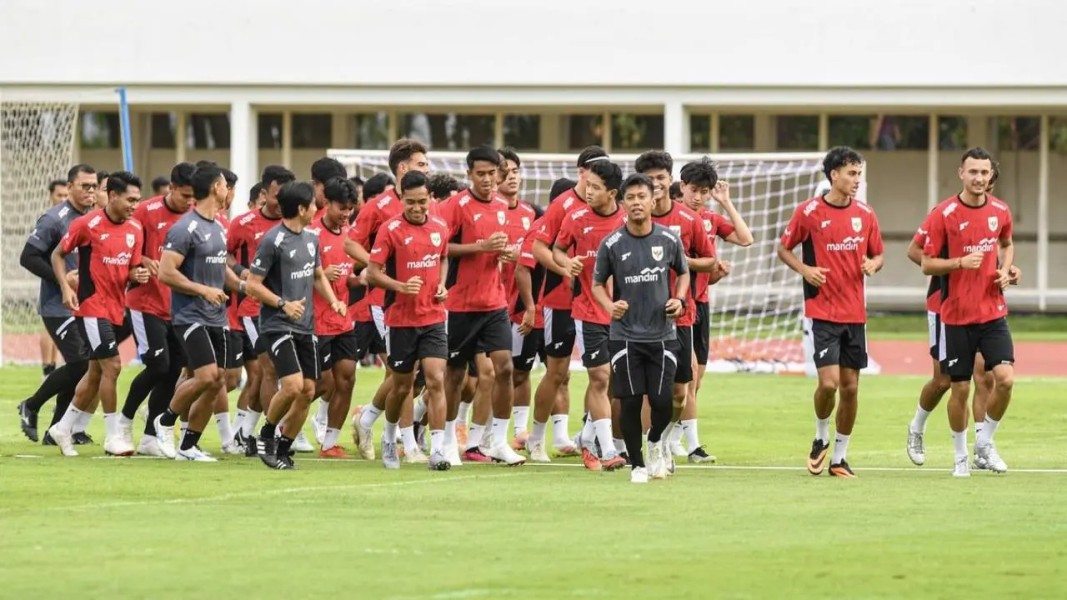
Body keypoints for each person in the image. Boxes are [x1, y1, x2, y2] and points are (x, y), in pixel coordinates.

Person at [777, 146, 884, 479]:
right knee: (829, 384)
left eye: (859, 174)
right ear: (833, 175)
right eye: (851, 173)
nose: (856, 180)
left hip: (855, 314)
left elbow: (879, 254)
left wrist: (872, 264)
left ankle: (839, 457)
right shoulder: (809, 212)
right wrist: (805, 270)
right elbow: (783, 248)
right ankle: (821, 434)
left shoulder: (866, 214)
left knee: (851, 387)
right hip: (821, 311)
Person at [905, 161, 1018, 469]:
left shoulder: (997, 212)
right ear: (963, 175)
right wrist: (954, 267)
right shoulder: (942, 214)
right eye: (976, 174)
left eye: (987, 176)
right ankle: (917, 427)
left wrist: (1006, 271)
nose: (982, 181)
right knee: (945, 381)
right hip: (946, 305)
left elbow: (998, 251)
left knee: (988, 377)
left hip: (985, 306)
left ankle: (983, 446)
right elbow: (917, 253)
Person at [591, 173, 690, 484]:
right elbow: (595, 285)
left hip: (663, 335)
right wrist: (609, 306)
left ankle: (656, 441)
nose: (636, 202)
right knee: (631, 401)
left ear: (653, 200)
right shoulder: (612, 243)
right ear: (622, 203)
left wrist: (679, 299)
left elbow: (684, 273)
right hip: (625, 336)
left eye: (641, 197)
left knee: (663, 401)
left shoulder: (669, 239)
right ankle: (637, 465)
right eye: (630, 198)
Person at [245, 181, 347, 470]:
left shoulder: (312, 239)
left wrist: (334, 300)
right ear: (301, 209)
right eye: (314, 204)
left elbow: (317, 276)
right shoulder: (272, 241)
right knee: (292, 385)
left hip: (306, 327)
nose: (318, 208)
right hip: (278, 325)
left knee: (309, 390)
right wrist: (282, 304)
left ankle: (284, 448)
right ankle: (267, 434)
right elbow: (253, 285)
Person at [46, 171, 149, 457]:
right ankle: (114, 436)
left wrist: (137, 273)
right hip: (91, 306)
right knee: (113, 366)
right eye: (130, 199)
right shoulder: (87, 224)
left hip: (116, 307)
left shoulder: (136, 230)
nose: (133, 205)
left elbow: (130, 268)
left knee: (95, 373)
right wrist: (66, 287)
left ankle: (63, 427)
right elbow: (57, 254)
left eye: (137, 200)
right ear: (113, 195)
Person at [346, 139, 429, 461]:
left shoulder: (426, 202)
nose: (427, 169)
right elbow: (351, 244)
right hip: (387, 300)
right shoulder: (378, 206)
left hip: (423, 302)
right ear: (403, 168)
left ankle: (366, 420)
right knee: (404, 372)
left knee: (403, 374)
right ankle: (405, 444)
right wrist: (377, 265)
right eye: (422, 164)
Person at [443, 145, 526, 466]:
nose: (488, 180)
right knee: (455, 375)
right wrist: (479, 247)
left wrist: (505, 254)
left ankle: (497, 441)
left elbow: (498, 249)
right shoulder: (456, 206)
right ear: (469, 174)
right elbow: (441, 245)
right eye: (481, 174)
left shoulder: (503, 208)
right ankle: (448, 440)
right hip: (461, 303)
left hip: (494, 302)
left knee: (505, 367)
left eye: (493, 173)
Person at [636, 151, 718, 474]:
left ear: (670, 181)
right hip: (641, 318)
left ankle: (666, 438)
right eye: (650, 178)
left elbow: (708, 261)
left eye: (661, 178)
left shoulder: (688, 220)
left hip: (681, 316)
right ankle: (651, 448)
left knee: (680, 392)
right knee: (647, 390)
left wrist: (680, 260)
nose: (656, 184)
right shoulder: (630, 218)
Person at [152, 163, 239, 461]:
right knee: (205, 376)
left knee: (219, 382)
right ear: (216, 188)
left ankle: (189, 446)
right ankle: (164, 422)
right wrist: (203, 290)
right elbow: (165, 272)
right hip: (190, 315)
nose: (228, 190)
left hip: (218, 316)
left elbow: (219, 268)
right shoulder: (185, 227)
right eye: (225, 185)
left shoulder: (219, 226)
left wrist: (242, 284)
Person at [367, 170, 452, 470]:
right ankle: (390, 438)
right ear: (401, 199)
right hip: (400, 319)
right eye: (411, 202)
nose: (417, 208)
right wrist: (400, 286)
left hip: (433, 317)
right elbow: (372, 272)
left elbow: (442, 257)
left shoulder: (440, 227)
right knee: (402, 387)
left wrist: (442, 285)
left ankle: (439, 451)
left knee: (436, 380)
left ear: (430, 198)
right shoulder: (390, 230)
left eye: (422, 202)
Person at [530, 147, 608, 464]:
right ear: (581, 172)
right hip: (561, 300)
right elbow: (538, 247)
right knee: (557, 372)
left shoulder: (611, 205)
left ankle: (592, 438)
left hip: (600, 303)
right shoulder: (563, 205)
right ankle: (535, 438)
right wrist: (565, 269)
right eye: (592, 174)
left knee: (605, 375)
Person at [676, 157, 753, 462]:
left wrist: (725, 202)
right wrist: (704, 265)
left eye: (705, 191)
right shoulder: (670, 217)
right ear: (682, 187)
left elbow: (746, 239)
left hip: (702, 304)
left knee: (696, 379)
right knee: (687, 376)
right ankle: (691, 446)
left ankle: (674, 438)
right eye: (694, 189)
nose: (698, 196)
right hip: (678, 306)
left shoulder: (709, 218)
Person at [552, 159, 628, 471]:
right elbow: (557, 248)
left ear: (612, 193)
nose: (588, 192)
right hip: (587, 310)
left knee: (617, 383)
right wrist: (565, 263)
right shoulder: (575, 218)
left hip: (623, 314)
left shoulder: (628, 221)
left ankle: (586, 436)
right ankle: (608, 450)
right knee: (599, 377)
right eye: (587, 185)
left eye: (595, 188)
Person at [18, 165, 97, 444]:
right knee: (80, 363)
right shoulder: (55, 218)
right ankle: (31, 405)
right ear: (71, 186)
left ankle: (56, 430)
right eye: (84, 185)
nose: (90, 191)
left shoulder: (93, 218)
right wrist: (63, 280)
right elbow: (28, 256)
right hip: (57, 305)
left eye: (94, 186)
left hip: (85, 306)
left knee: (85, 366)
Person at [121, 162, 196, 458]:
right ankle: (123, 423)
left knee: (174, 369)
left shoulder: (194, 217)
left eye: (194, 197)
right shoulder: (146, 211)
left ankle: (151, 436)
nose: (189, 202)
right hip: (145, 302)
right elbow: (124, 245)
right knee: (158, 365)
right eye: (185, 195)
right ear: (172, 188)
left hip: (178, 307)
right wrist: (141, 258)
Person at [227, 166, 296, 454]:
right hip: (254, 307)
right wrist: (243, 272)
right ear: (264, 193)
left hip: (289, 308)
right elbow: (225, 255)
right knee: (269, 369)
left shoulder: (296, 225)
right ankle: (272, 437)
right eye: (278, 195)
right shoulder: (243, 223)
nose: (282, 202)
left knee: (270, 374)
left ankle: (243, 432)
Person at [307, 177, 359, 458]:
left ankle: (330, 443)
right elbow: (295, 278)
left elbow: (347, 277)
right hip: (316, 321)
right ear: (328, 203)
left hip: (342, 320)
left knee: (347, 378)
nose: (346, 214)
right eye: (342, 207)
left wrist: (357, 280)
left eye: (351, 209)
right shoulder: (311, 234)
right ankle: (280, 423)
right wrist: (321, 276)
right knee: (320, 383)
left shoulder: (349, 236)